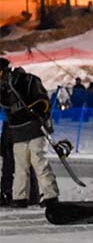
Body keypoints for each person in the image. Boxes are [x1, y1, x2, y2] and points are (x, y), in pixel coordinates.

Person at [0, 58, 60, 208]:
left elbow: (43, 101)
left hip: (35, 129)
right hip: (18, 131)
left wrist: (39, 109)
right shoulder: (4, 91)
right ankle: (19, 197)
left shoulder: (27, 81)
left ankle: (51, 195)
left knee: (39, 162)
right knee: (20, 166)